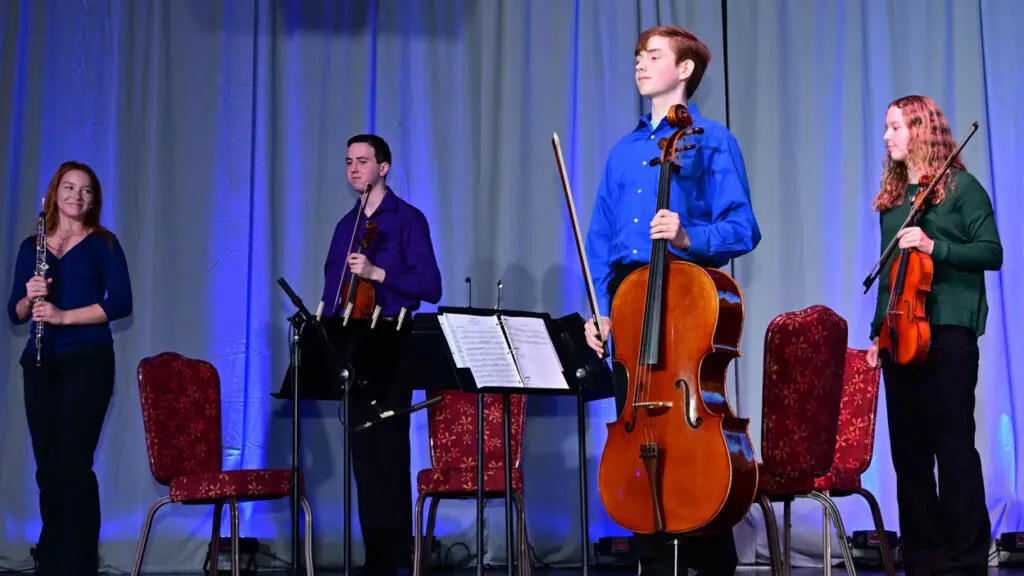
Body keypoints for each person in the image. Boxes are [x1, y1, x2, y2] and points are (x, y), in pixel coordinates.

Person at [582, 25, 761, 576]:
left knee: (692, 448)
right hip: (631, 311)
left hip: (685, 302)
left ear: (684, 70)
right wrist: (599, 308)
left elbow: (744, 228)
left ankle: (710, 556)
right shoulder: (623, 152)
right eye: (637, 55)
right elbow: (600, 238)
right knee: (639, 445)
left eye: (653, 56)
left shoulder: (712, 140)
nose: (640, 64)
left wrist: (688, 237)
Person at [866, 95, 1001, 576]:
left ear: (922, 129)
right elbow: (889, 277)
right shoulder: (895, 199)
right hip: (900, 335)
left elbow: (991, 252)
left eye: (896, 126)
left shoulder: (962, 189)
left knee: (953, 444)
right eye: (887, 127)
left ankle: (966, 557)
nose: (887, 136)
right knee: (908, 451)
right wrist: (877, 333)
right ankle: (923, 554)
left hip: (948, 332)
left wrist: (933, 244)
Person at [320, 133, 442, 576]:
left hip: (392, 342)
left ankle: (393, 559)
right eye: (349, 161)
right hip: (352, 346)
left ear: (384, 167)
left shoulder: (408, 220)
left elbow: (431, 287)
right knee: (363, 457)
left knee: (390, 454)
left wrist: (378, 272)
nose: (354, 169)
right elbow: (331, 293)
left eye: (363, 161)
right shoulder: (344, 228)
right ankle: (374, 559)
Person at [6, 161, 133, 576]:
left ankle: (80, 564)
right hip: (41, 364)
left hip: (89, 362)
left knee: (75, 464)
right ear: (54, 192)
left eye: (86, 190)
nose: (77, 196)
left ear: (94, 199)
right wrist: (30, 296)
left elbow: (120, 303)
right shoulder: (33, 247)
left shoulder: (104, 244)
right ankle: (53, 558)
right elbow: (16, 312)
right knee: (48, 467)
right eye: (69, 187)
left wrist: (62, 316)